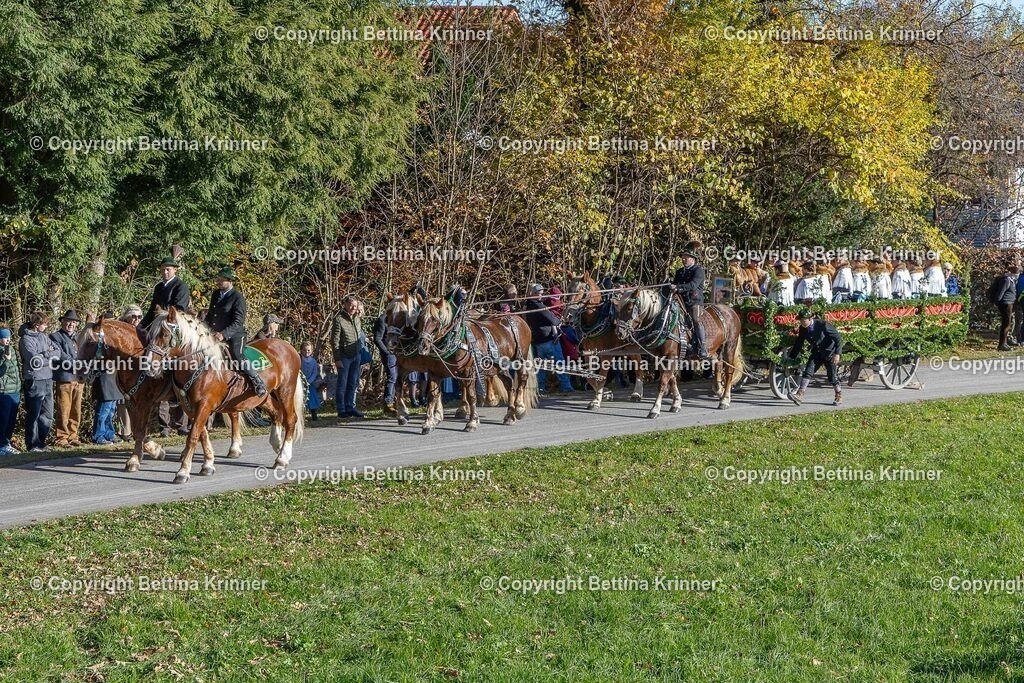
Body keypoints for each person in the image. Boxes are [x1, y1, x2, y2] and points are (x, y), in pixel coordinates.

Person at [207, 266, 267, 396]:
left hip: (235, 334)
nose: (218, 282)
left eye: (221, 280)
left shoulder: (237, 297)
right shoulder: (216, 294)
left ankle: (257, 381)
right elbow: (211, 315)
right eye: (218, 279)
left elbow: (238, 322)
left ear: (230, 281)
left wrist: (223, 334)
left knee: (237, 354)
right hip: (215, 334)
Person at [19, 311, 61, 452]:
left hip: (48, 378)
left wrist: (45, 354)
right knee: (34, 414)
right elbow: (34, 360)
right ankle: (32, 444)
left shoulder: (44, 336)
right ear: (37, 325)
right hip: (34, 380)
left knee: (48, 414)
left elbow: (58, 351)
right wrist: (48, 356)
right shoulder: (26, 339)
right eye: (44, 324)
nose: (46, 326)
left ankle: (41, 442)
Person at [787, 308, 844, 407]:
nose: (802, 322)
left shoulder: (823, 325)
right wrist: (791, 357)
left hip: (829, 353)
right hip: (817, 352)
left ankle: (838, 394)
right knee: (808, 371)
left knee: (832, 377)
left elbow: (838, 338)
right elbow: (799, 343)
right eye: (800, 320)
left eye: (804, 320)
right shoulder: (803, 328)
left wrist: (837, 353)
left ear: (810, 318)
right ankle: (800, 394)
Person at [523, 283, 573, 394]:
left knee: (541, 367)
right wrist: (560, 321)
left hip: (538, 341)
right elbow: (553, 320)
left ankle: (540, 388)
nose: (541, 296)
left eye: (541, 293)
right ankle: (566, 387)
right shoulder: (539, 306)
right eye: (539, 293)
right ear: (533, 294)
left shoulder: (527, 306)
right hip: (549, 340)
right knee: (559, 364)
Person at [50, 309, 84, 448]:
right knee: (64, 409)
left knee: (76, 409)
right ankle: (62, 437)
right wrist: (77, 363)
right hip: (64, 377)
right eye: (68, 321)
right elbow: (60, 355)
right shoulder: (55, 336)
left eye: (74, 322)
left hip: (79, 378)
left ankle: (73, 435)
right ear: (62, 321)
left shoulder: (79, 337)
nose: (71, 324)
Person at [672, 241, 709, 359]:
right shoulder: (679, 272)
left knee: (696, 319)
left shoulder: (698, 270)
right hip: (679, 301)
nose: (683, 259)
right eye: (683, 257)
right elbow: (674, 284)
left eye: (686, 257)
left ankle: (702, 346)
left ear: (693, 259)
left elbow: (693, 285)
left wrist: (679, 288)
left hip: (694, 302)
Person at [331, 295, 364, 418]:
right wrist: (337, 359)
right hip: (344, 356)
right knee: (342, 383)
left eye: (355, 306)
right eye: (351, 305)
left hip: (356, 355)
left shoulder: (357, 318)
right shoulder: (339, 319)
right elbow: (334, 340)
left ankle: (350, 407)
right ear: (345, 305)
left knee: (353, 383)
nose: (353, 308)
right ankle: (341, 409)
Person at [115, 305, 143, 441]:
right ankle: (125, 431)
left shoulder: (142, 330)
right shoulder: (119, 330)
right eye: (133, 316)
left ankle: (137, 430)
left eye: (139, 317)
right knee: (123, 401)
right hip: (123, 369)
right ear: (126, 317)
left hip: (140, 370)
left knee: (138, 402)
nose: (136, 319)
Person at [141, 257, 192, 328]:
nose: (165, 272)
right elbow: (152, 309)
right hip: (157, 322)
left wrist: (164, 318)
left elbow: (180, 309)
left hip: (174, 324)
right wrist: (142, 325)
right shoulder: (158, 287)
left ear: (175, 270)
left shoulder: (181, 286)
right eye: (163, 269)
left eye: (168, 269)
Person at [0, 326, 22, 455]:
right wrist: (6, 361)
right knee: (3, 419)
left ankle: (6, 443)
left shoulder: (12, 349)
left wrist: (21, 385)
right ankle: (1, 444)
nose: (7, 340)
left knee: (11, 420)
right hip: (3, 391)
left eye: (8, 337)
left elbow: (18, 369)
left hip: (15, 390)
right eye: (4, 338)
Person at [91, 361, 123, 445]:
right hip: (104, 377)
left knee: (111, 412)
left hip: (113, 377)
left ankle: (109, 434)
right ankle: (98, 436)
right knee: (103, 411)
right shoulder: (100, 348)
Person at [373, 311, 398, 412]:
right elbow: (377, 338)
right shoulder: (382, 320)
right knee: (392, 377)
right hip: (389, 353)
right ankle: (388, 403)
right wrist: (387, 352)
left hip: (397, 352)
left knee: (396, 377)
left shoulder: (397, 319)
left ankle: (394, 400)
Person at [991, 264, 1019, 351]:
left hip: (1009, 303)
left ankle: (1005, 342)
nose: (1018, 275)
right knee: (1006, 324)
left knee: (1007, 324)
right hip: (1005, 304)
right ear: (1013, 273)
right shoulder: (1006, 280)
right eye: (1017, 273)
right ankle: (1002, 344)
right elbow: (1000, 293)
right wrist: (997, 303)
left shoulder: (1011, 280)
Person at [299, 342, 323, 421]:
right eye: (304, 350)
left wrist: (309, 381)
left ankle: (314, 415)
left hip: (310, 383)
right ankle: (301, 416)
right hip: (300, 382)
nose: (306, 352)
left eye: (308, 350)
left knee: (312, 399)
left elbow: (314, 372)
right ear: (301, 350)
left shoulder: (313, 361)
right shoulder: (299, 359)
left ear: (311, 351)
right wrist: (301, 380)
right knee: (301, 400)